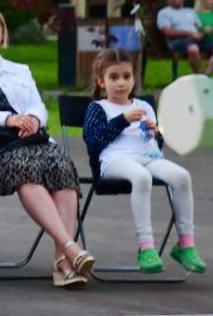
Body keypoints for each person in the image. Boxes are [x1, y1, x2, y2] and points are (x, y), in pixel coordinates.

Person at [0, 3, 92, 288]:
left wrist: (34, 118)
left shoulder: (19, 70)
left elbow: (37, 104)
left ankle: (63, 260)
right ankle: (71, 247)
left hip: (28, 142)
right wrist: (7, 118)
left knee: (62, 166)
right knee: (24, 168)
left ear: (2, 32)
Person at [84, 49, 205, 274]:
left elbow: (156, 144)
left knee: (181, 177)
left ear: (134, 78)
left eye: (126, 76)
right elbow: (93, 141)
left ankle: (185, 244)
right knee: (141, 177)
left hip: (147, 158)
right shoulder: (98, 108)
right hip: (114, 160)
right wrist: (122, 119)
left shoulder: (144, 106)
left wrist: (156, 132)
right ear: (101, 81)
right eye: (114, 77)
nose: (121, 83)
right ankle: (146, 246)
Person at [157, 0, 213, 75]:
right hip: (177, 41)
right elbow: (167, 31)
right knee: (193, 49)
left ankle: (206, 74)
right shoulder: (164, 13)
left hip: (196, 39)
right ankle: (198, 74)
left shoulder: (190, 11)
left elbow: (200, 26)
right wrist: (190, 33)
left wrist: (204, 31)